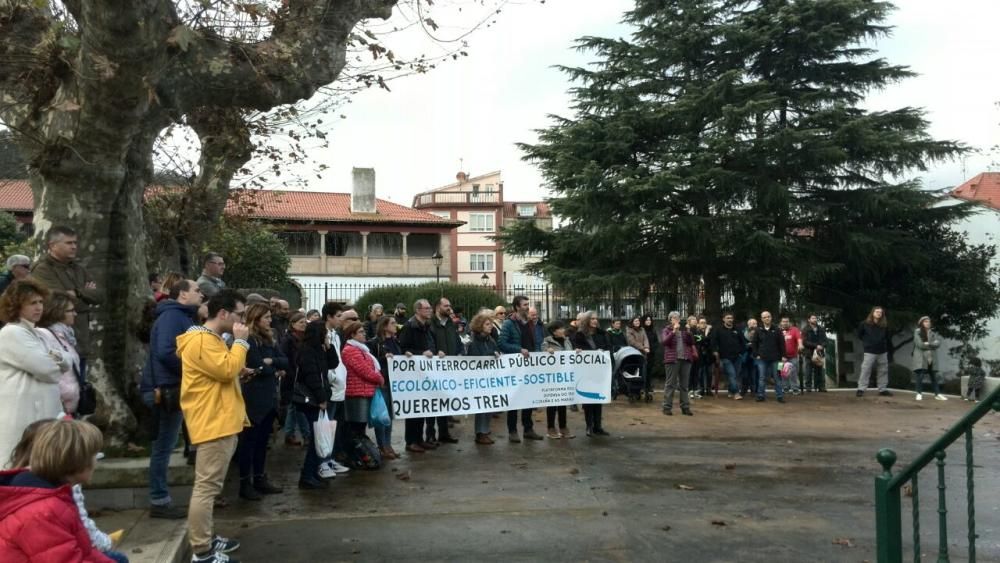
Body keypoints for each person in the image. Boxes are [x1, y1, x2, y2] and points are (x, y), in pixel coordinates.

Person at [178, 289, 247, 563]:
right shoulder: (201, 341)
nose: (243, 321)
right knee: (206, 488)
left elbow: (224, 370)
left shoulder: (211, 339)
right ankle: (202, 551)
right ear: (223, 313)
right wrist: (241, 344)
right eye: (240, 314)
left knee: (210, 487)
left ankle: (206, 537)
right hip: (212, 421)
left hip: (221, 420)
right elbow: (227, 370)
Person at [9, 419, 128, 562]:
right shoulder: (45, 510)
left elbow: (85, 551)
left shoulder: (54, 496)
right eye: (93, 455)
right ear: (77, 461)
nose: (96, 462)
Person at [139, 279, 202, 519]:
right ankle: (159, 500)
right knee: (163, 447)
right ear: (183, 295)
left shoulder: (183, 316)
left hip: (171, 387)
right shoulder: (172, 317)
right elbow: (166, 352)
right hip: (164, 390)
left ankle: (160, 498)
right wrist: (194, 368)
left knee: (165, 445)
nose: (201, 294)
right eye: (196, 290)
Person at [0, 279, 65, 463]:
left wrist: (57, 359)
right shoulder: (12, 332)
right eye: (32, 303)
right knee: (19, 465)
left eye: (41, 302)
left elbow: (66, 359)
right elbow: (48, 370)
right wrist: (56, 360)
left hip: (40, 413)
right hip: (22, 412)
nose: (38, 308)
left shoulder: (38, 333)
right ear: (16, 306)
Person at [30, 225, 101, 376]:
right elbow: (55, 300)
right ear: (52, 245)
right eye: (69, 243)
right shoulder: (42, 269)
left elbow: (99, 296)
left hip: (80, 339)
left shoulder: (78, 269)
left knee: (79, 389)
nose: (74, 247)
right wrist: (83, 293)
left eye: (75, 242)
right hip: (55, 343)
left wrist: (75, 293)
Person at [236, 303, 287, 501]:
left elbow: (284, 360)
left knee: (262, 442)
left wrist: (271, 362)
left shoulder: (270, 339)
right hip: (253, 397)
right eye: (266, 317)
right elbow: (257, 365)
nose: (270, 320)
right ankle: (244, 482)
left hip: (269, 396)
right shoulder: (248, 339)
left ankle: (259, 477)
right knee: (249, 442)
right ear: (256, 319)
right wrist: (271, 366)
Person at [294, 320, 335, 490]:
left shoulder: (319, 349)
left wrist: (329, 347)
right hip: (312, 400)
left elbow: (333, 364)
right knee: (316, 437)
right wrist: (321, 399)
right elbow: (312, 377)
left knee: (319, 437)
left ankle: (312, 472)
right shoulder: (307, 351)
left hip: (319, 397)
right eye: (324, 334)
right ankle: (307, 475)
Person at [499, 295, 544, 442]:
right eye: (524, 304)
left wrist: (538, 355)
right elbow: (502, 344)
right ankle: (512, 430)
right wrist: (519, 349)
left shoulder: (530, 323)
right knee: (514, 399)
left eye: (527, 304)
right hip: (515, 368)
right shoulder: (508, 324)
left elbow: (535, 342)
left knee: (529, 398)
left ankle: (528, 429)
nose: (527, 307)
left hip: (530, 366)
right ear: (517, 307)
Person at [399, 299, 441, 453]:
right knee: (414, 409)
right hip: (414, 375)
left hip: (426, 373)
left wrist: (437, 353)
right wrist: (420, 354)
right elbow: (403, 348)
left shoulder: (427, 326)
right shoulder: (409, 326)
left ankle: (419, 439)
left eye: (430, 308)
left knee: (422, 407)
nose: (430, 310)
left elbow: (431, 344)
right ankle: (411, 441)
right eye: (426, 308)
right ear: (417, 310)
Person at [340, 320, 385, 466]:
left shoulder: (362, 349)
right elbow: (364, 370)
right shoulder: (350, 350)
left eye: (364, 331)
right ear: (352, 335)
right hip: (356, 393)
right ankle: (355, 457)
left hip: (364, 392)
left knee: (359, 428)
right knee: (356, 428)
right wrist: (379, 377)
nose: (364, 334)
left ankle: (361, 456)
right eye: (360, 332)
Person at [318, 303, 354, 477]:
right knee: (324, 425)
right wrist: (333, 377)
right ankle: (322, 461)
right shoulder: (322, 334)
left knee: (334, 426)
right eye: (338, 316)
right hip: (331, 386)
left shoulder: (336, 335)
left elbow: (337, 358)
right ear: (329, 317)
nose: (341, 319)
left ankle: (329, 458)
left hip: (340, 386)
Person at [36, 292, 82, 416]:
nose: (75, 314)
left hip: (69, 405)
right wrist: (66, 392)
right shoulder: (45, 335)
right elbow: (48, 364)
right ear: (57, 312)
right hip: (58, 405)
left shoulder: (66, 335)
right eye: (70, 311)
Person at [427, 297, 461, 445]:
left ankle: (444, 433)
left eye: (450, 305)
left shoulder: (450, 324)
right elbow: (428, 343)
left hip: (449, 368)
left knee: (444, 401)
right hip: (433, 369)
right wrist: (435, 353)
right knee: (432, 402)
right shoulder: (430, 324)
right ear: (437, 307)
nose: (449, 308)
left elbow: (457, 341)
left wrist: (459, 353)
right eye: (446, 305)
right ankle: (430, 434)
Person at [368, 316, 401, 459]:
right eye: (392, 323)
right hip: (382, 383)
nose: (395, 326)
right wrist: (383, 358)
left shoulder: (395, 341)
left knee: (390, 417)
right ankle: (382, 446)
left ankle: (388, 444)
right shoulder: (375, 343)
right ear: (384, 326)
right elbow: (371, 362)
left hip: (393, 383)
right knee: (382, 416)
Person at [573, 311, 610, 435]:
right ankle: (589, 426)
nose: (595, 320)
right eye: (592, 318)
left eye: (596, 318)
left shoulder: (602, 333)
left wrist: (601, 351)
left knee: (598, 400)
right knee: (588, 400)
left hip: (599, 372)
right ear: (586, 320)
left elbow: (608, 348)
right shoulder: (580, 334)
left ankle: (598, 426)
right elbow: (578, 349)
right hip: (586, 372)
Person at [467, 312, 502, 445]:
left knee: (488, 406)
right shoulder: (474, 342)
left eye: (491, 324)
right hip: (479, 380)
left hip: (490, 379)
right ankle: (480, 433)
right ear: (479, 326)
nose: (491, 327)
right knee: (481, 407)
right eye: (487, 324)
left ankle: (485, 430)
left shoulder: (490, 340)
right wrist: (490, 354)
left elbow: (495, 350)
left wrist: (497, 353)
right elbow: (475, 359)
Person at [279, 312, 310, 447]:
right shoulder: (288, 340)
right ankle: (307, 435)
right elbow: (285, 358)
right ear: (293, 324)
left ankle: (289, 434)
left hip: (300, 377)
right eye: (300, 322)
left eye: (305, 322)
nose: (304, 325)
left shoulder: (304, 338)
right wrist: (292, 373)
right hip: (292, 378)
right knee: (299, 407)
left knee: (294, 407)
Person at [543, 320, 576, 439]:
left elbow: (570, 354)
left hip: (564, 376)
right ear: (554, 331)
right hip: (552, 376)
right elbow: (541, 355)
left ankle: (563, 427)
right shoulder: (547, 341)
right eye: (561, 328)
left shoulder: (567, 340)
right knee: (552, 403)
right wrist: (547, 351)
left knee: (563, 402)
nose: (563, 330)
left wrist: (576, 353)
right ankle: (551, 428)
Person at [660, 311, 694, 416]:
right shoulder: (666, 330)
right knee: (670, 384)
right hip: (672, 360)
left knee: (684, 385)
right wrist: (673, 332)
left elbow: (691, 342)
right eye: (674, 318)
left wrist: (689, 331)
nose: (676, 320)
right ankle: (666, 407)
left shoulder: (684, 331)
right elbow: (665, 342)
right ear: (670, 320)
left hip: (685, 359)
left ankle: (685, 407)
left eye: (678, 318)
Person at [856, 306, 892, 397]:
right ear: (872, 313)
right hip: (869, 351)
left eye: (880, 312)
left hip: (882, 351)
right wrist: (868, 343)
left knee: (883, 370)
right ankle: (861, 389)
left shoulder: (885, 325)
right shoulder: (864, 324)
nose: (878, 313)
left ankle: (882, 389)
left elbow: (887, 337)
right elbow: (860, 335)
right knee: (866, 369)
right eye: (877, 311)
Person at [752, 311, 786, 403]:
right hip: (762, 359)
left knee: (777, 377)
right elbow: (754, 344)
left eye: (768, 316)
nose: (767, 318)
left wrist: (783, 356)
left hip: (776, 359)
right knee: (762, 377)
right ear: (762, 319)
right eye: (765, 317)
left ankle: (780, 396)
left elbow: (782, 344)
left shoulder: (777, 329)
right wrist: (756, 354)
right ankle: (760, 395)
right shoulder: (758, 330)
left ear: (771, 317)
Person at [711, 313, 746, 400]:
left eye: (731, 318)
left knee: (736, 375)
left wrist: (741, 352)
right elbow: (714, 342)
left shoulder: (737, 329)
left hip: (737, 357)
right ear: (723, 319)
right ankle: (736, 393)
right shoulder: (718, 330)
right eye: (728, 318)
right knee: (732, 374)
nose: (730, 319)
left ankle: (730, 391)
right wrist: (715, 351)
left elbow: (743, 342)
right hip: (725, 357)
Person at [912, 316, 945, 401]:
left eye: (929, 321)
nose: (928, 323)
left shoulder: (932, 333)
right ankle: (919, 393)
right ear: (921, 323)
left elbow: (938, 343)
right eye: (925, 321)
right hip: (922, 357)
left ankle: (937, 394)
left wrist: (928, 344)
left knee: (933, 376)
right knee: (921, 375)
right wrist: (931, 344)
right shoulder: (917, 332)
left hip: (931, 357)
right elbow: (920, 345)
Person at [802, 315, 827, 392]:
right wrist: (816, 346)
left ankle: (821, 387)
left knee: (820, 371)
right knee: (808, 371)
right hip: (809, 353)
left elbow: (825, 340)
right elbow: (805, 342)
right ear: (809, 320)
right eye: (813, 318)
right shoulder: (805, 329)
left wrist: (822, 346)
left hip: (819, 353)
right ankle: (808, 387)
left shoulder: (821, 329)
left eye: (816, 318)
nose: (815, 319)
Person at [779, 316, 803, 395]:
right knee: (782, 372)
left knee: (793, 372)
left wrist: (800, 344)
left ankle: (795, 388)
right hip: (781, 357)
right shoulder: (778, 330)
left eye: (787, 321)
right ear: (781, 322)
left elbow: (799, 338)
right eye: (783, 321)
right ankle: (785, 388)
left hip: (793, 356)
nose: (785, 323)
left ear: (789, 322)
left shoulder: (794, 329)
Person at [640, 314, 658, 397]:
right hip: (643, 353)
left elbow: (656, 341)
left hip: (651, 354)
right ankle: (642, 387)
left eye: (650, 320)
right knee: (643, 371)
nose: (648, 321)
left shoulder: (653, 330)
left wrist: (652, 349)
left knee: (649, 371)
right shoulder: (641, 330)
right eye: (647, 320)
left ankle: (648, 386)